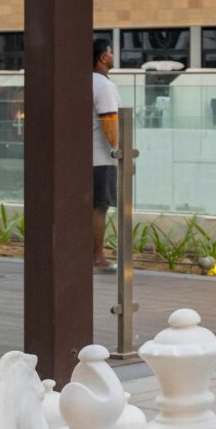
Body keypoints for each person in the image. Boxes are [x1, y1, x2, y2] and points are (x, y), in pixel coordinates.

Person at [92, 37, 121, 272]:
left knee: (91, 207)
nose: (112, 56)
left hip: (86, 156)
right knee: (99, 207)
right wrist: (117, 150)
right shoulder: (103, 85)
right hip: (100, 157)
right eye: (110, 52)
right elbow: (109, 119)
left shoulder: (85, 82)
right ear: (103, 57)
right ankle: (98, 257)